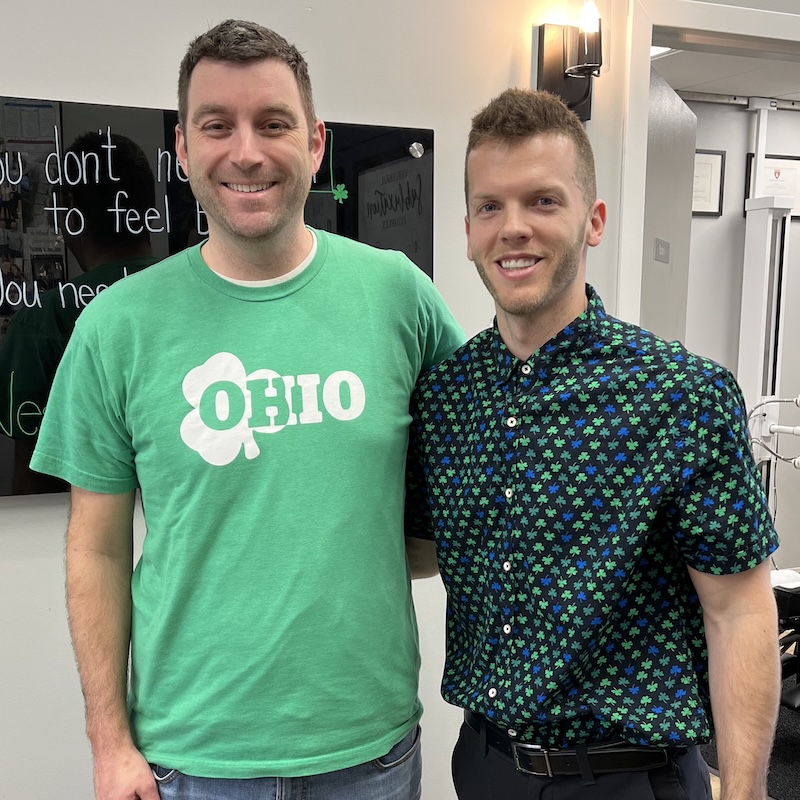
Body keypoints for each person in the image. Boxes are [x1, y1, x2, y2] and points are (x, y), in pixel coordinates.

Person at [31, 19, 462, 800]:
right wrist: (107, 740)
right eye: (216, 126)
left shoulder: (398, 294)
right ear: (185, 151)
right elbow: (94, 550)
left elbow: (471, 466)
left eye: (273, 123)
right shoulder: (116, 327)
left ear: (317, 142)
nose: (247, 151)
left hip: (367, 750)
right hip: (190, 760)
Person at [405, 88, 780, 800]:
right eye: (491, 206)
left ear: (594, 220)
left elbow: (738, 610)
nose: (512, 228)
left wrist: (748, 793)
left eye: (543, 201)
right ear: (467, 229)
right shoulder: (446, 397)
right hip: (483, 767)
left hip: (628, 777)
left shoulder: (682, 396)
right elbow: (422, 551)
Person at [0, 131, 157, 494]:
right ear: (150, 208)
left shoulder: (40, 319)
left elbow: (31, 473)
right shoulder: (197, 296)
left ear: (69, 210)